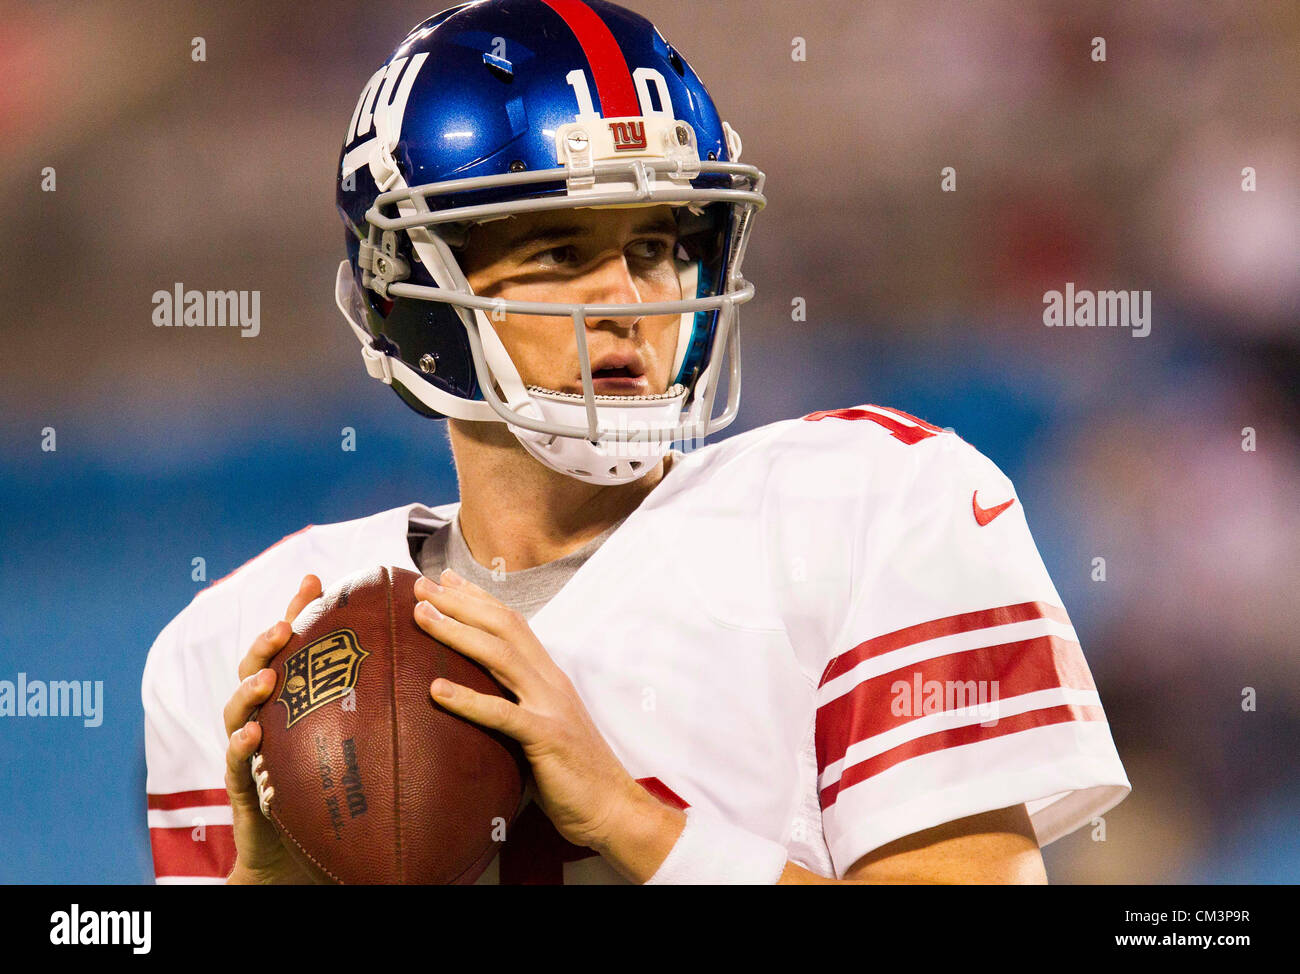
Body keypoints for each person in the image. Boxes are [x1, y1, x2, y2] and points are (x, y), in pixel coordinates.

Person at [143, 0, 1129, 885]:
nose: (628, 299)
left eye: (655, 246)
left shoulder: (861, 511)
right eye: (562, 251)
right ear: (411, 292)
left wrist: (637, 823)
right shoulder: (247, 647)